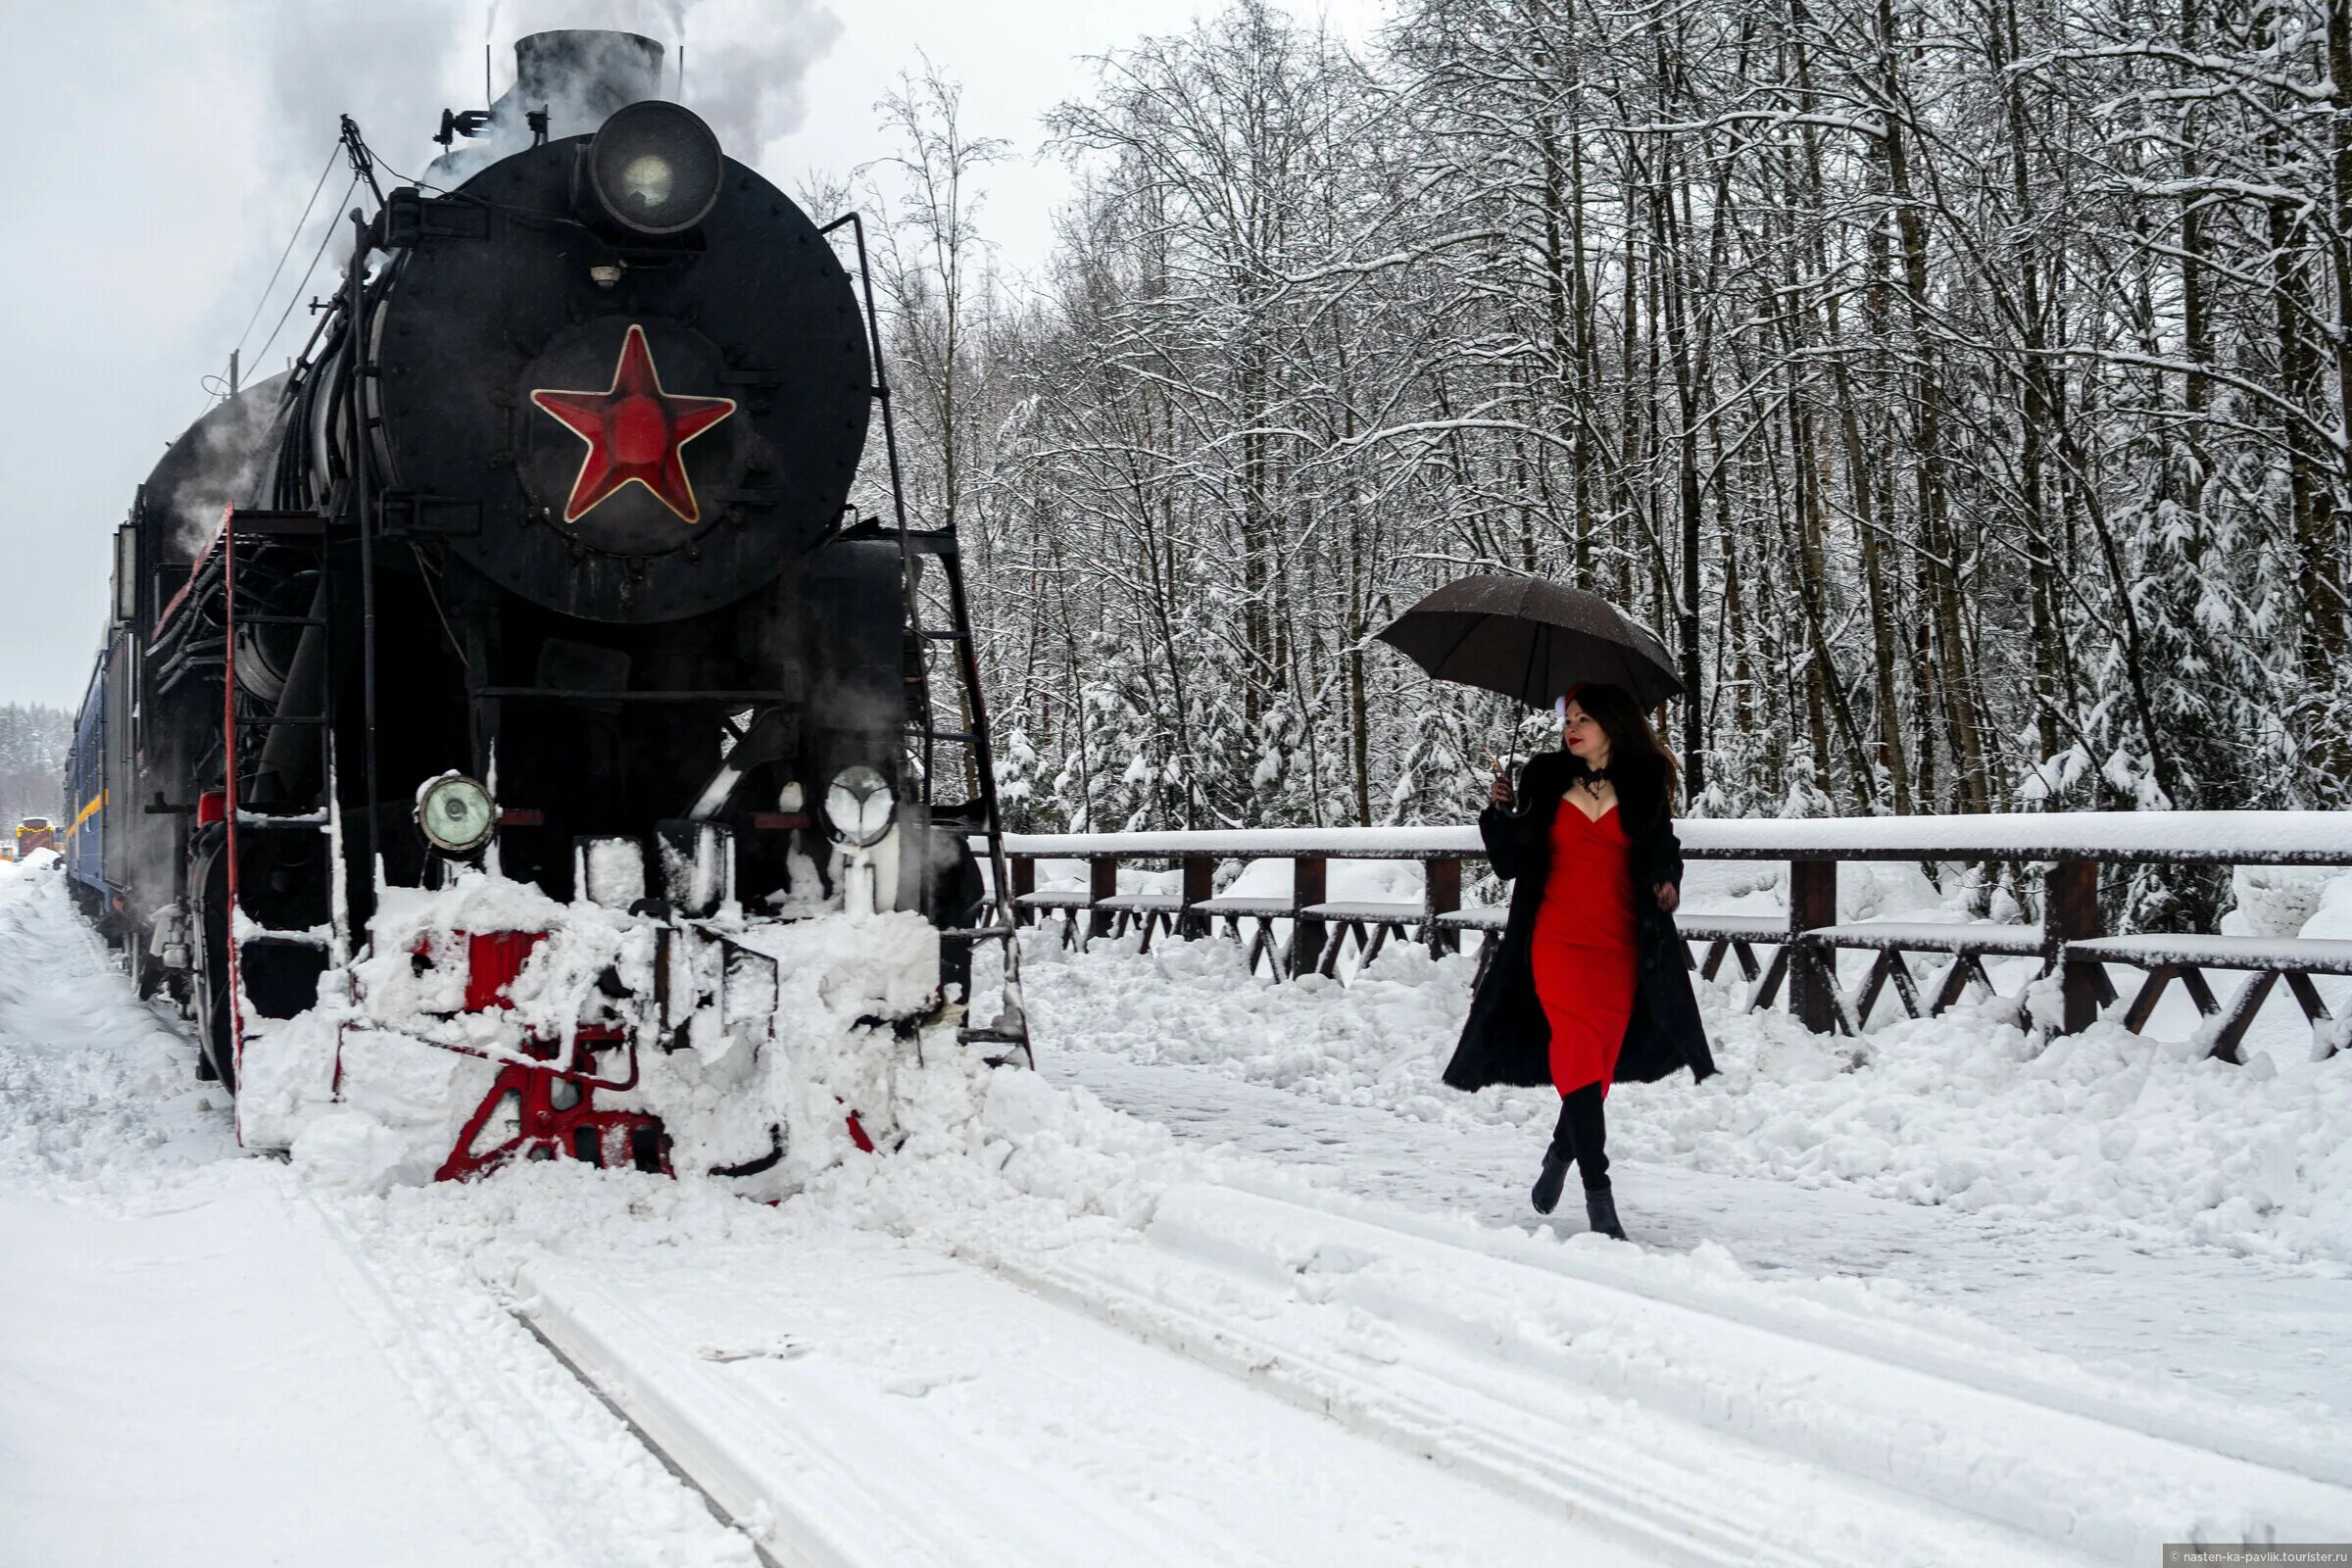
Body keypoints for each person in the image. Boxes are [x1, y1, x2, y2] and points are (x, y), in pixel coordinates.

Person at [1441, 683, 1716, 1240]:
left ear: (1613, 723)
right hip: (1555, 942)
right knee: (1575, 1050)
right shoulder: (1543, 778)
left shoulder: (1643, 785)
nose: (1572, 727)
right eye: (1568, 718)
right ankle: (1600, 1193)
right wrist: (1498, 814)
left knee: (1596, 1062)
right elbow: (1512, 862)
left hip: (1618, 947)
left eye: (1584, 718)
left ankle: (1561, 1152)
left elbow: (1663, 846)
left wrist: (1666, 880)